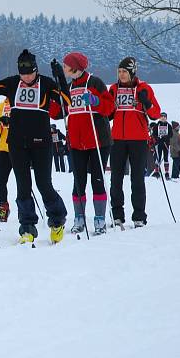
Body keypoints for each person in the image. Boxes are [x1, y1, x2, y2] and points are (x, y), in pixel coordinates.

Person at [0, 47, 67, 244]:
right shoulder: (13, 83)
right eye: (23, 73)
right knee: (23, 186)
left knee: (44, 184)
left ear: (36, 70)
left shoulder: (45, 83)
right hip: (17, 142)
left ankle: (57, 220)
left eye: (29, 73)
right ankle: (27, 227)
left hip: (41, 143)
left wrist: (60, 77)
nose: (26, 77)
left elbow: (66, 103)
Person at [55, 51, 115, 236]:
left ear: (74, 68)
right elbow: (59, 112)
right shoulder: (68, 86)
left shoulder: (94, 82)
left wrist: (95, 101)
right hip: (77, 142)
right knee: (78, 181)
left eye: (66, 66)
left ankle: (99, 219)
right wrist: (51, 102)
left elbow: (109, 107)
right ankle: (79, 217)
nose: (64, 69)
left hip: (98, 140)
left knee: (97, 179)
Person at [108, 56, 161, 227]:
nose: (121, 75)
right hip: (117, 139)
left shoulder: (143, 88)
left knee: (137, 179)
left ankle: (139, 216)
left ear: (132, 72)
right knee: (116, 178)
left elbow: (155, 114)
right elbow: (108, 113)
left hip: (138, 139)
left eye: (125, 71)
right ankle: (117, 215)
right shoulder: (114, 89)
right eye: (119, 71)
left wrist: (145, 101)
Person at [0, 98, 13, 222]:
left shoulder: (20, 103)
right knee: (0, 181)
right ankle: (4, 208)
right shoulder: (1, 106)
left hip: (18, 148)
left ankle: (25, 210)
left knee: (23, 182)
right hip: (4, 149)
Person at [152, 112, 174, 180]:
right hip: (159, 143)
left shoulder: (168, 125)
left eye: (164, 117)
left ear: (166, 118)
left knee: (166, 157)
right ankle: (156, 171)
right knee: (158, 157)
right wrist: (157, 138)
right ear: (160, 117)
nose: (163, 118)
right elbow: (154, 134)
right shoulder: (157, 125)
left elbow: (171, 134)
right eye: (162, 116)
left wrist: (166, 137)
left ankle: (167, 172)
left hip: (166, 143)